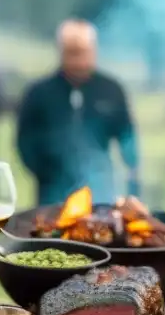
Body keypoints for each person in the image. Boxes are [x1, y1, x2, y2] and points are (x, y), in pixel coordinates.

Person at [16, 18, 139, 205]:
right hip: (52, 195)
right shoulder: (39, 93)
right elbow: (25, 140)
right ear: (60, 52)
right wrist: (47, 172)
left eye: (83, 53)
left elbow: (127, 135)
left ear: (94, 51)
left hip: (101, 194)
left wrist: (132, 175)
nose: (78, 61)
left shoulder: (111, 90)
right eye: (71, 53)